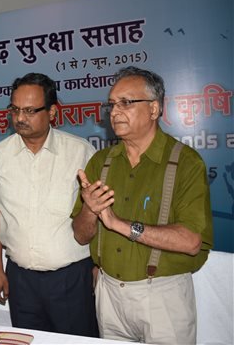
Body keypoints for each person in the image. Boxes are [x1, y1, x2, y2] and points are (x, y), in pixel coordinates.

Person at [72, 66, 213, 344]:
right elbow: (80, 235)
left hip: (163, 296)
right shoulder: (100, 162)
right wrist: (90, 209)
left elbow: (191, 241)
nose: (114, 112)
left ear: (154, 109)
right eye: (111, 104)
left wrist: (119, 225)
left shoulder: (186, 163)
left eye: (126, 102)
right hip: (109, 294)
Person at [0, 73, 98, 336]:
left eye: (30, 110)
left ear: (52, 112)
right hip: (20, 280)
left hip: (71, 278)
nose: (20, 118)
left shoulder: (81, 153)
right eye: (15, 110)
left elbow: (96, 213)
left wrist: (98, 266)